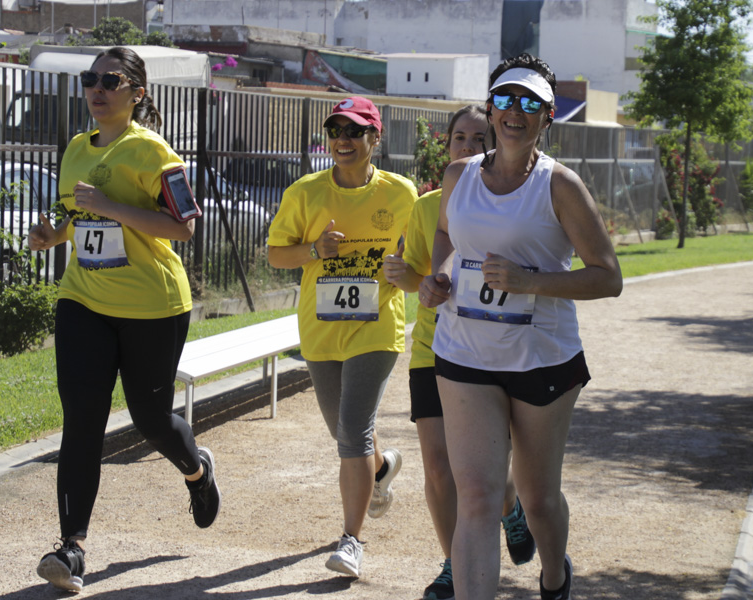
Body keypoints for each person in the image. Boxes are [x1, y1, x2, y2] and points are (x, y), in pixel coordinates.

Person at [418, 54, 623, 600]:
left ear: (547, 117)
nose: (515, 111)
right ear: (491, 108)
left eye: (529, 103)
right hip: (465, 353)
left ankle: (554, 576)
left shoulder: (561, 186)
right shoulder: (459, 174)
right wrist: (438, 276)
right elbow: (444, 235)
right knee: (480, 498)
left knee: (537, 498)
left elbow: (609, 277)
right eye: (506, 99)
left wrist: (530, 281)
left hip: (542, 360)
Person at [27, 46, 220, 593]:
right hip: (83, 298)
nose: (97, 88)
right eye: (90, 79)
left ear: (136, 93)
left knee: (150, 419)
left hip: (151, 306)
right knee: (82, 419)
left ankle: (197, 471)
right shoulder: (75, 149)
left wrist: (111, 207)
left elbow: (183, 227)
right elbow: (75, 213)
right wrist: (53, 235)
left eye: (110, 80)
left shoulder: (153, 152)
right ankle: (71, 547)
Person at [383, 105, 536, 600]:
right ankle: (453, 562)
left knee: (481, 469)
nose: (468, 148)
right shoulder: (428, 206)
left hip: (488, 350)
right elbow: (415, 276)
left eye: (477, 139)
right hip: (434, 346)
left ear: (492, 139)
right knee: (437, 465)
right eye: (459, 139)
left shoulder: (509, 199)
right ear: (446, 146)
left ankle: (511, 507)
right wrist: (416, 280)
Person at [266, 96, 414, 579]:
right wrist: (313, 249)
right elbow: (275, 255)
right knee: (346, 434)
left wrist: (406, 270)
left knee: (352, 432)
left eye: (354, 131)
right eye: (335, 131)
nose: (342, 140)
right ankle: (380, 469)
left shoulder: (402, 195)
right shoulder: (306, 193)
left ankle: (351, 540)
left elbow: (426, 258)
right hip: (321, 331)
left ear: (376, 138)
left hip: (377, 330)